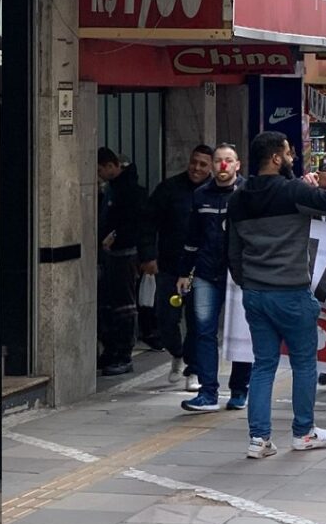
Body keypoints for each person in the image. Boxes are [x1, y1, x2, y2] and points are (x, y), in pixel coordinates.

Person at [226, 131, 326, 459]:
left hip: (256, 294)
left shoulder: (238, 198)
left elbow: (232, 252)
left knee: (263, 364)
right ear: (276, 158)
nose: (291, 158)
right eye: (288, 153)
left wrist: (247, 283)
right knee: (305, 363)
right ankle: (303, 432)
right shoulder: (293, 192)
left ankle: (258, 439)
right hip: (291, 292)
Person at [177, 144, 252, 412]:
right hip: (207, 272)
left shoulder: (247, 193)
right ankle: (208, 393)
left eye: (228, 161)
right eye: (219, 161)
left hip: (240, 275)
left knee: (242, 334)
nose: (223, 166)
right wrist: (184, 272)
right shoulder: (201, 195)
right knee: (204, 331)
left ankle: (240, 390)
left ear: (237, 165)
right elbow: (192, 237)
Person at [139, 145, 213, 389]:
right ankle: (176, 353)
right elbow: (148, 223)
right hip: (169, 266)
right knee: (166, 318)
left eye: (203, 164)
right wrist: (149, 256)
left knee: (197, 321)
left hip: (200, 270)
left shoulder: (216, 192)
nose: (197, 168)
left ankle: (193, 370)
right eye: (194, 162)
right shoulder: (169, 189)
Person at [97, 147, 148, 376]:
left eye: (100, 169)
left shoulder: (129, 191)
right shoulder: (112, 189)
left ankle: (123, 354)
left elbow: (132, 224)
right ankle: (111, 350)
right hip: (112, 255)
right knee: (108, 304)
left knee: (124, 306)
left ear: (111, 165)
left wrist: (114, 238)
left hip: (125, 254)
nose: (98, 174)